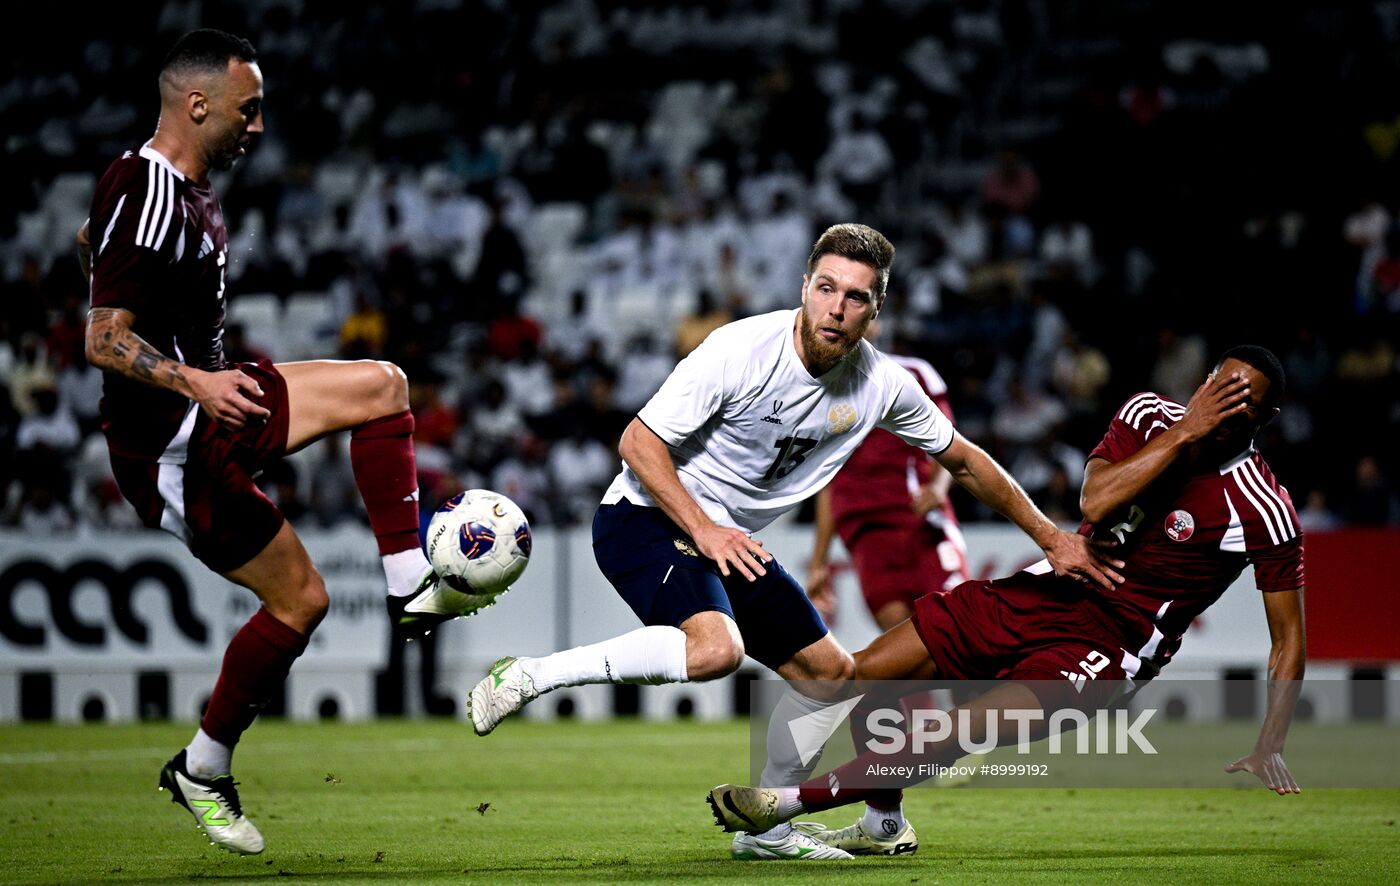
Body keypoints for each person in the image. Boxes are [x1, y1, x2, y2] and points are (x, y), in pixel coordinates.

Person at [467, 223, 1122, 861]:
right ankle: (527, 675)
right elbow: (639, 444)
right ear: (805, 286)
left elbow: (966, 460)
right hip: (644, 518)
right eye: (827, 288)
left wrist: (1051, 537)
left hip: (729, 541)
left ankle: (767, 830)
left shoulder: (883, 384)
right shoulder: (740, 351)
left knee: (830, 676)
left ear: (877, 308)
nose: (837, 308)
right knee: (716, 650)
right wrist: (705, 528)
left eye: (856, 296)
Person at [76, 29, 465, 856]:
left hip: (220, 403)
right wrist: (196, 382)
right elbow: (102, 339)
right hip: (172, 447)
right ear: (197, 104)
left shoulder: (179, 188)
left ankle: (409, 586)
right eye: (247, 110)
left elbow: (95, 249)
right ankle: (203, 768)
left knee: (384, 385)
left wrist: (206, 374)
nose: (258, 126)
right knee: (303, 601)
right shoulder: (147, 186)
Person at [707, 346, 1307, 853]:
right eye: (1220, 388)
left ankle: (779, 809)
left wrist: (1270, 742)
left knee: (950, 732)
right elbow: (1095, 503)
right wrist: (1186, 432)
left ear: (1268, 417)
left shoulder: (1262, 508)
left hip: (1106, 648)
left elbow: (1288, 642)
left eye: (1244, 400)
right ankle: (884, 825)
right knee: (861, 675)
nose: (1227, 405)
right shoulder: (1150, 416)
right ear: (1203, 385)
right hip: (1041, 591)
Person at [808, 326, 967, 632]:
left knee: (956, 628)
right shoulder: (819, 393)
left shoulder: (914, 373)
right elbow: (826, 479)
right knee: (899, 634)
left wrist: (937, 486)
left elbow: (950, 443)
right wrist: (819, 563)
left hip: (920, 519)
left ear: (876, 321)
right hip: (866, 533)